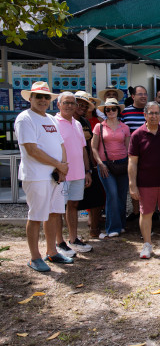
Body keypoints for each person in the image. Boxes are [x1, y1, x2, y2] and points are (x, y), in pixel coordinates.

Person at [15, 81, 73, 272]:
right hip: (36, 176)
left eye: (46, 97)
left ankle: (52, 252)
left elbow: (61, 144)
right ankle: (34, 257)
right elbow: (32, 150)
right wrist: (59, 165)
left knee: (54, 213)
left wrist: (62, 168)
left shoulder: (50, 119)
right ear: (30, 98)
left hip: (54, 176)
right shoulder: (25, 119)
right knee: (36, 216)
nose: (42, 100)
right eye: (38, 96)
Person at [128, 101, 160, 259]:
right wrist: (132, 184)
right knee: (146, 213)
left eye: (157, 113)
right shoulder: (137, 135)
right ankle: (147, 244)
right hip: (145, 183)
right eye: (151, 113)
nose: (154, 116)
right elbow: (132, 161)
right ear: (145, 115)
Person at [54, 92, 93, 255]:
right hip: (61, 174)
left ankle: (73, 239)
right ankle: (59, 242)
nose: (69, 106)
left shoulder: (77, 124)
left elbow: (83, 149)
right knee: (57, 208)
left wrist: (87, 171)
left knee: (73, 205)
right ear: (58, 105)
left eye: (72, 103)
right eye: (66, 102)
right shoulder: (53, 123)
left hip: (78, 173)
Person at [91, 98, 130, 238]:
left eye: (113, 109)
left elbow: (128, 148)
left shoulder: (125, 127)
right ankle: (112, 227)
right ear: (105, 111)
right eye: (107, 109)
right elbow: (93, 147)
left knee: (121, 195)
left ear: (118, 110)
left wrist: (130, 164)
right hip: (105, 165)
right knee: (112, 194)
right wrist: (100, 163)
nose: (111, 111)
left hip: (122, 163)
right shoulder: (99, 127)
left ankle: (121, 225)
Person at [74, 91, 105, 238]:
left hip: (88, 165)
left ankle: (94, 230)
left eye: (85, 105)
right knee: (71, 203)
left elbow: (89, 145)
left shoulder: (85, 122)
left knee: (97, 198)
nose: (82, 108)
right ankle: (72, 236)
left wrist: (93, 165)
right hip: (71, 166)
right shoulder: (63, 121)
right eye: (79, 104)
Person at [122, 85, 148, 222]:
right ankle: (136, 212)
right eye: (140, 94)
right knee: (135, 182)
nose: (143, 96)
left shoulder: (150, 111)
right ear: (133, 96)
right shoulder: (125, 113)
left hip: (149, 154)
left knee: (148, 184)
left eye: (145, 94)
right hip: (133, 154)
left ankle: (149, 211)